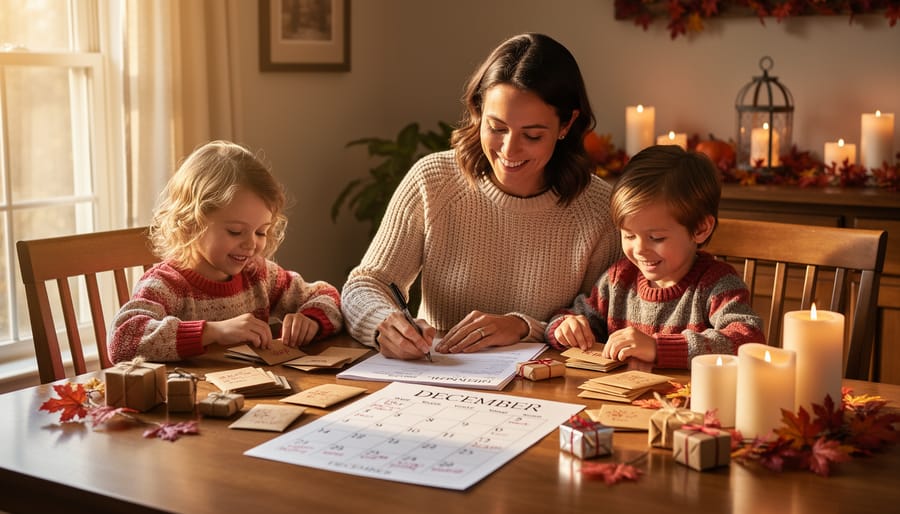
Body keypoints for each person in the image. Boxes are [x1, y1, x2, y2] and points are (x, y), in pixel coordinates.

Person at [341, 33, 621, 360]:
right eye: (497, 127)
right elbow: (365, 284)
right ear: (478, 110)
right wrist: (383, 325)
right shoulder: (434, 180)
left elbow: (601, 323)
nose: (508, 149)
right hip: (435, 377)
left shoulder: (599, 207)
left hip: (549, 388)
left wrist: (521, 326)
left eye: (532, 135)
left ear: (567, 124)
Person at [108, 140, 342, 363]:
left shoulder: (258, 275)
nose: (251, 245)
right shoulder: (167, 285)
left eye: (261, 232)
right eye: (235, 231)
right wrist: (212, 332)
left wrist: (311, 320)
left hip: (255, 396)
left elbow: (328, 297)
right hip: (192, 401)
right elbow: (123, 341)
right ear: (191, 223)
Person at [546, 145, 765, 370]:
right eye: (629, 235)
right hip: (620, 402)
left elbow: (748, 341)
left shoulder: (717, 283)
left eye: (656, 237)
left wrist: (658, 348)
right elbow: (570, 318)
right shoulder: (618, 280)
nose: (639, 249)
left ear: (700, 228)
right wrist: (564, 327)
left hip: (687, 403)